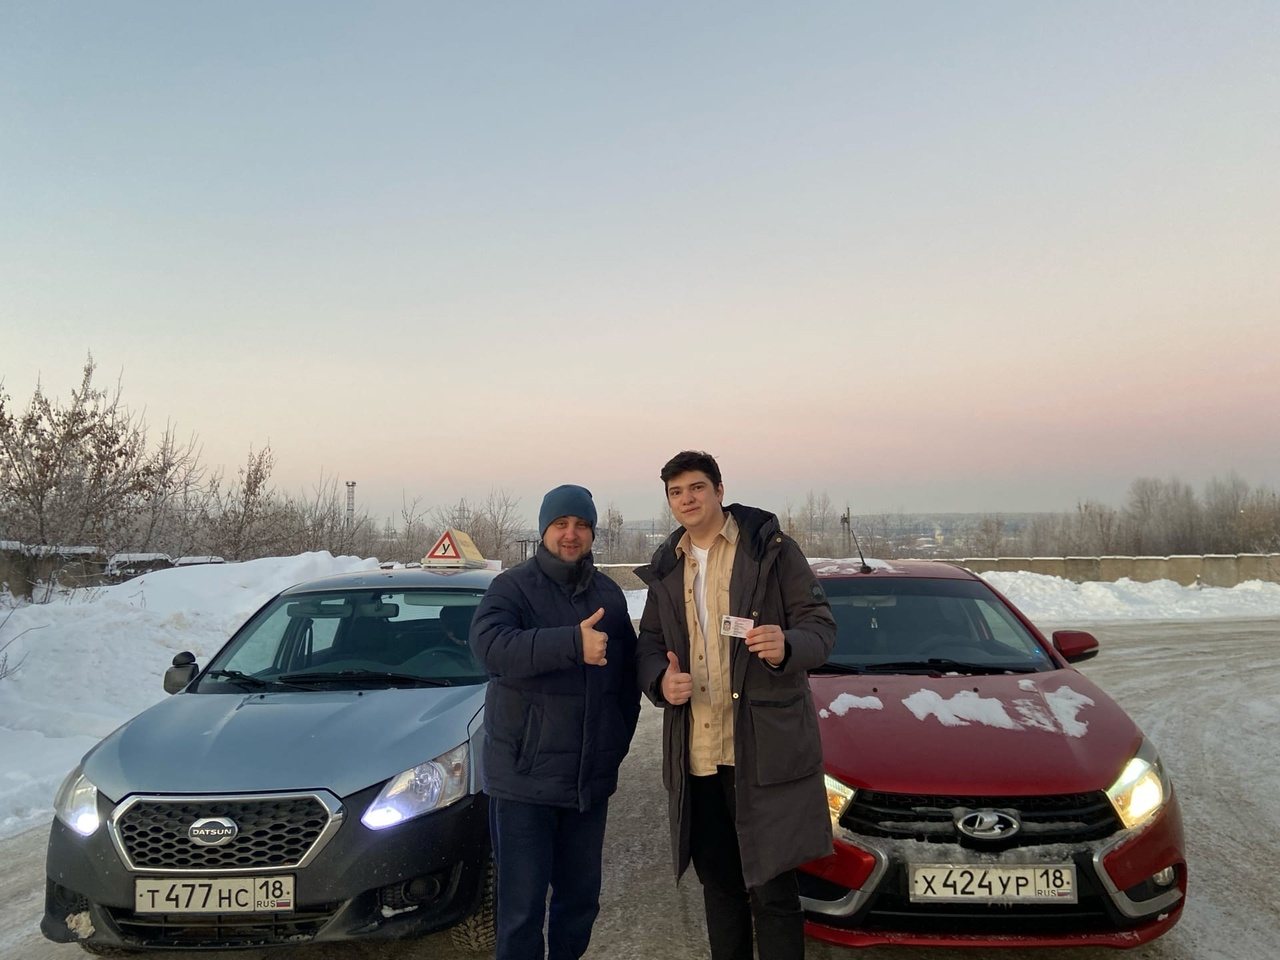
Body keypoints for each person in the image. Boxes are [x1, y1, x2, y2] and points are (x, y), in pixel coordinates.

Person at [635, 451, 836, 960]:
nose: (687, 499)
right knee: (719, 886)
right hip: (699, 756)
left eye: (696, 487)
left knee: (773, 890)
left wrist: (786, 644)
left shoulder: (769, 549)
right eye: (676, 492)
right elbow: (649, 643)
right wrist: (660, 679)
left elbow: (820, 628)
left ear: (719, 490)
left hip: (760, 752)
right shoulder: (667, 565)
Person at [470, 484, 641, 960]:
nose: (571, 534)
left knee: (580, 905)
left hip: (587, 784)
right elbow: (490, 648)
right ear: (544, 530)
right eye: (561, 524)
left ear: (593, 533)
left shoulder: (608, 594)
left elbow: (627, 679)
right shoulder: (512, 587)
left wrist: (613, 746)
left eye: (582, 525)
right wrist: (570, 643)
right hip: (524, 783)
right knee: (521, 911)